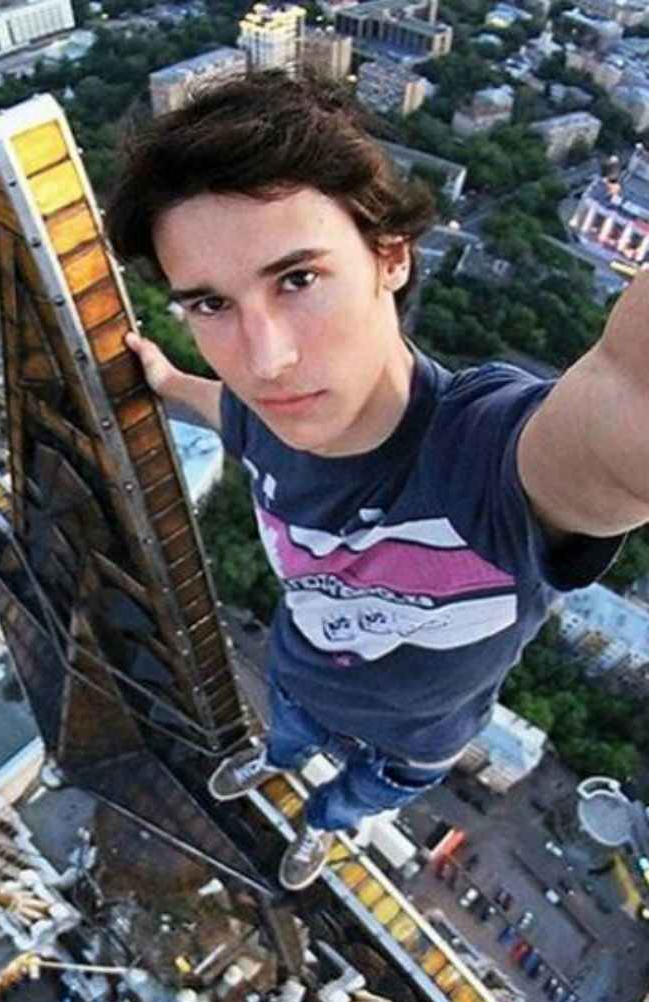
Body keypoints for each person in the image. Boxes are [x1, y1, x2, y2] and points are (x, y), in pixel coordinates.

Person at [103, 70, 644, 891]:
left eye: (298, 279)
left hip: (413, 743)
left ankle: (322, 827)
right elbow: (232, 412)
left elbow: (626, 404)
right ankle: (272, 763)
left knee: (351, 801)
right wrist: (169, 381)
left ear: (391, 256)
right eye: (211, 305)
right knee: (284, 741)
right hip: (300, 680)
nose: (266, 360)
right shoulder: (265, 416)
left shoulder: (483, 460)